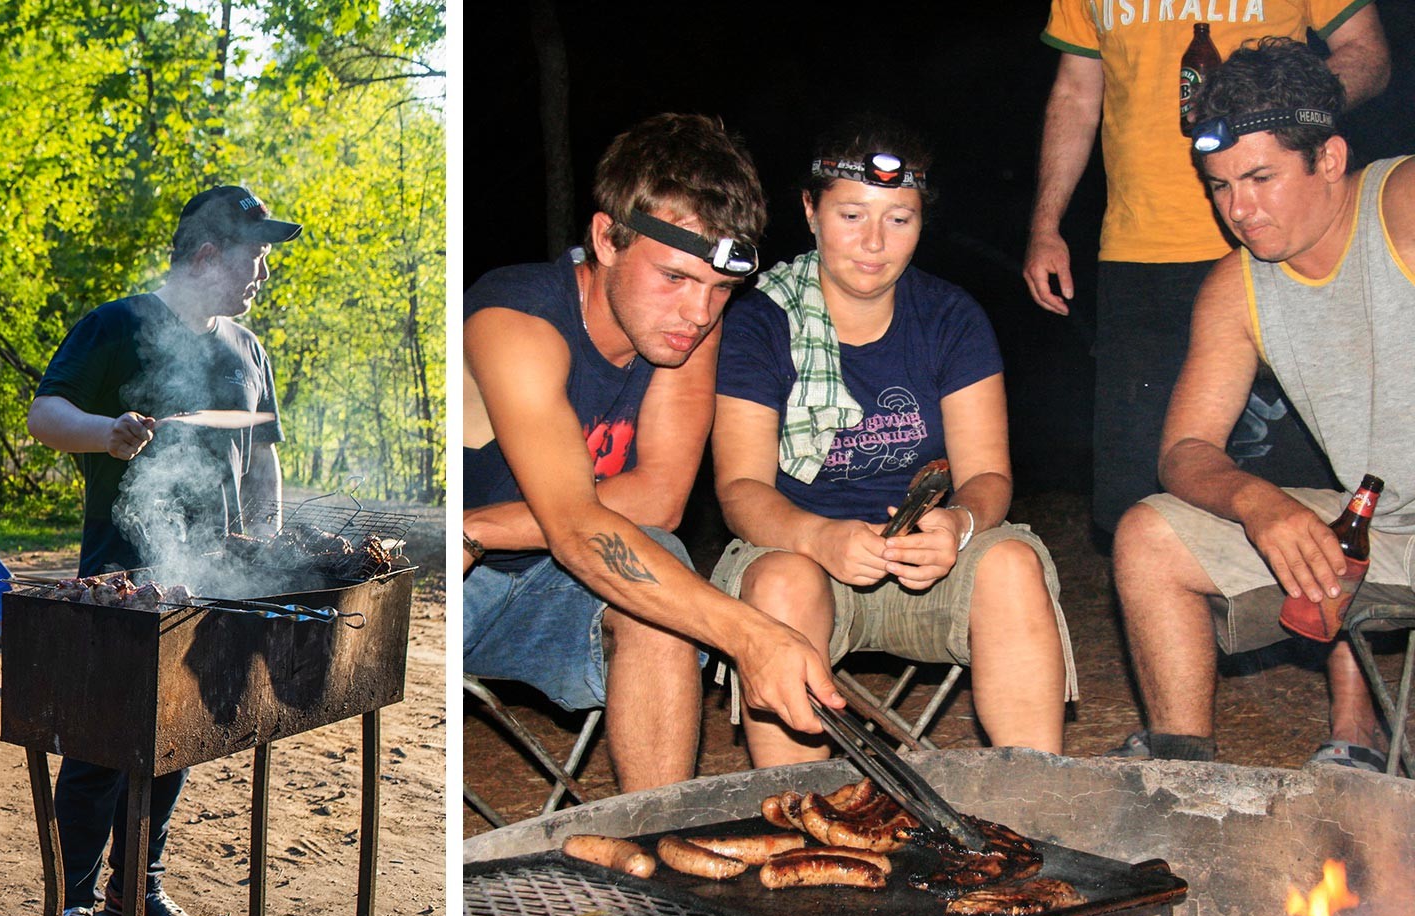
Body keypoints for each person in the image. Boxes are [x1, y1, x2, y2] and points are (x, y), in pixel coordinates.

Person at [463, 112, 843, 794]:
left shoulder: (685, 329)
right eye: (674, 278)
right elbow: (581, 528)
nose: (698, 314)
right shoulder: (515, 318)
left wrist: (487, 526)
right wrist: (753, 637)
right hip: (442, 583)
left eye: (720, 288)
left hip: (530, 573)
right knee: (644, 558)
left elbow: (659, 495)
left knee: (656, 569)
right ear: (607, 238)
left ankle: (657, 836)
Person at [708, 118, 1074, 767]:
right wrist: (819, 537)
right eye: (852, 215)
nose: (874, 243)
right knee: (781, 583)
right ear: (810, 211)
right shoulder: (760, 322)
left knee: (1012, 565)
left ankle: (1030, 801)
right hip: (803, 552)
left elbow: (988, 475)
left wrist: (958, 525)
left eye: (899, 220)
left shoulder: (950, 317)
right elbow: (740, 491)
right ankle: (795, 818)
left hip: (926, 566)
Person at [1111, 38, 1414, 771]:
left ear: (1330, 159)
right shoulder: (1235, 287)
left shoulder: (1401, 206)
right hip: (1387, 524)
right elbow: (1184, 451)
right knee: (1148, 534)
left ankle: (1364, 738)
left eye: (1259, 177)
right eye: (1219, 186)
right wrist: (1258, 502)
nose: (1238, 210)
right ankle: (1185, 779)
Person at [25, 184, 295, 916]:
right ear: (208, 254)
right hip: (123, 575)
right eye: (256, 255)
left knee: (177, 735)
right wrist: (107, 434)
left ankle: (135, 887)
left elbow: (265, 452)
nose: (263, 272)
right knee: (100, 745)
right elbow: (45, 415)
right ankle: (70, 905)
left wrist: (267, 539)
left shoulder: (248, 348)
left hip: (210, 580)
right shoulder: (118, 324)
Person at [1024, 1, 1387, 535]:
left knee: (1301, 486)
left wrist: (1285, 117)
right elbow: (1076, 94)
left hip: (1282, 240)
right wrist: (1045, 223)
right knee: (1140, 493)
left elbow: (1367, 51)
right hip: (1140, 247)